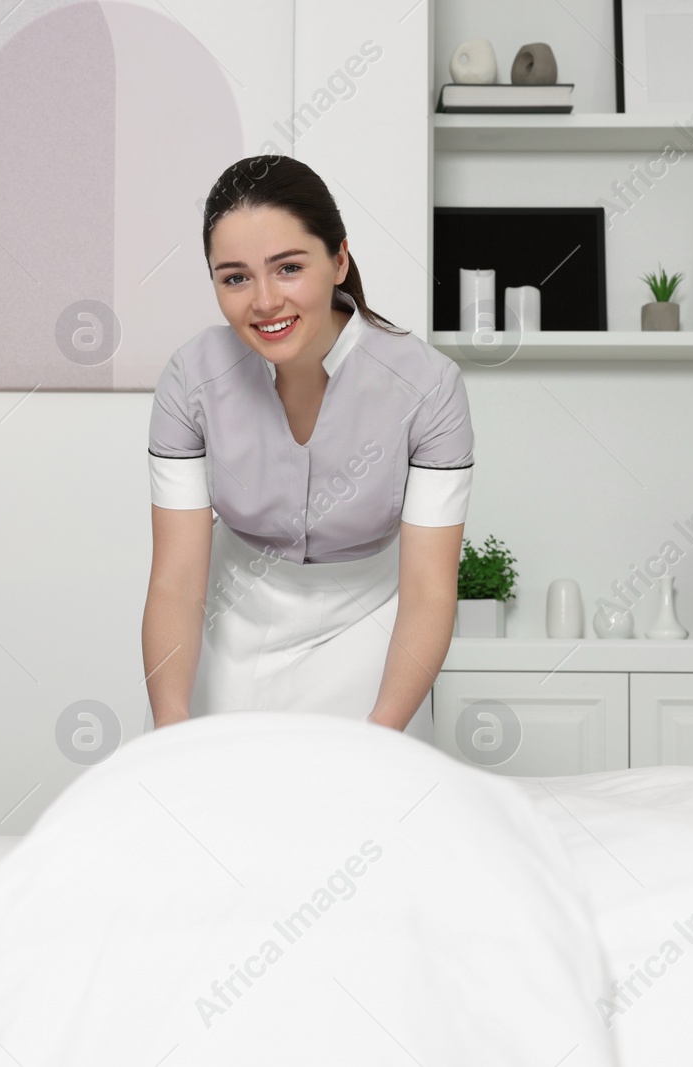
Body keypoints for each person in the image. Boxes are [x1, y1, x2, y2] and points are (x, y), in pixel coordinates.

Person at [141, 154, 474, 741]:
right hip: (226, 637)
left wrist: (385, 730)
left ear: (339, 259)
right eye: (235, 277)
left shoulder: (428, 387)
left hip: (376, 640)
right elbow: (175, 579)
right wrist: (169, 725)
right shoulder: (191, 380)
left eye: (288, 268)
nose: (265, 301)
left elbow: (427, 590)